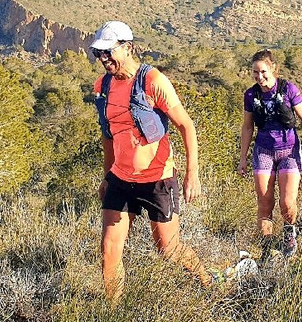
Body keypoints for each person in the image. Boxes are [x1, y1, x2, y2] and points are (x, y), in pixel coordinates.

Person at [90, 20, 215, 302]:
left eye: (109, 52)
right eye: (99, 54)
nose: (104, 59)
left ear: (128, 48)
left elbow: (186, 126)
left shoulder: (152, 81)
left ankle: (207, 282)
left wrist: (191, 173)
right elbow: (108, 135)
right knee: (110, 248)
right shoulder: (103, 86)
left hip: (157, 180)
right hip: (121, 180)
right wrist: (107, 175)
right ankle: (114, 314)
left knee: (168, 249)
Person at [237, 49, 302, 260]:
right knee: (265, 203)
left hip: (289, 150)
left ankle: (290, 233)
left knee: (287, 203)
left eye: (263, 72)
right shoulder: (251, 95)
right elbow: (247, 127)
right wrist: (243, 158)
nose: (259, 77)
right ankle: (267, 247)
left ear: (273, 69)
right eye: (255, 73)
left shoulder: (289, 89)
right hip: (263, 150)